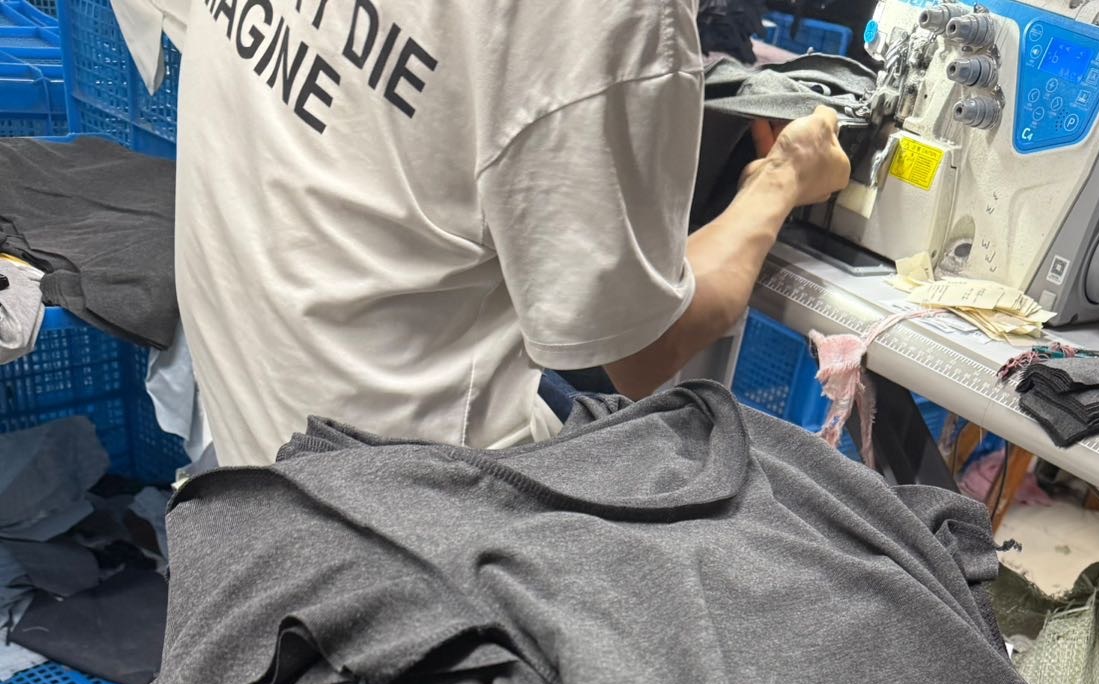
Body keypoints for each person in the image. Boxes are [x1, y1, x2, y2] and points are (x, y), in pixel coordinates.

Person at [172, 0, 850, 464]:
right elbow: (644, 351)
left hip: (245, 437)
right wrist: (783, 177)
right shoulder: (602, 16)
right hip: (400, 511)